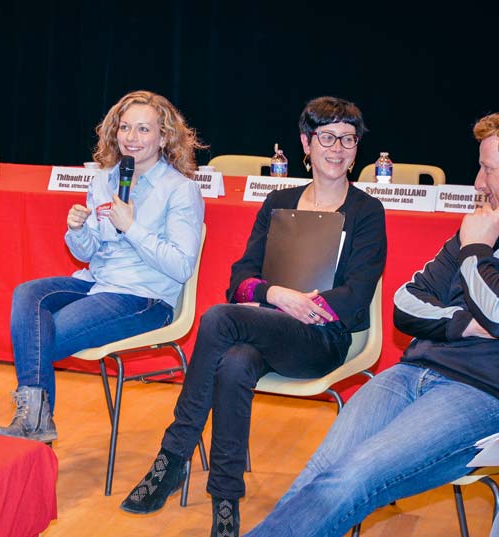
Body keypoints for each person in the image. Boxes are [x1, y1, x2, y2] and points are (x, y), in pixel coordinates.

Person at [245, 105, 499, 537]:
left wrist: (476, 254)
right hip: (414, 372)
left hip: (496, 399)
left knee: (354, 475)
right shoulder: (484, 228)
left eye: (487, 169)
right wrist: (469, 321)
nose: (478, 183)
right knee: (322, 472)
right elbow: (407, 303)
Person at [119, 96, 385, 537]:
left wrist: (303, 307)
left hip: (324, 339)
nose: (336, 148)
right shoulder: (278, 201)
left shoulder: (366, 211)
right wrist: (278, 295)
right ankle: (225, 500)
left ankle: (172, 457)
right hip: (267, 328)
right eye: (326, 137)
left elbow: (357, 296)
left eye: (348, 139)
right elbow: (240, 278)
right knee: (234, 362)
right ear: (306, 142)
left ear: (357, 148)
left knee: (220, 319)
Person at [0, 90, 205, 442]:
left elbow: (181, 267)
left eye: (143, 130)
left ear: (164, 136)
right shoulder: (104, 178)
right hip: (97, 281)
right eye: (124, 128)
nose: (131, 138)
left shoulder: (180, 190)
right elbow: (88, 251)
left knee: (40, 336)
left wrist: (132, 227)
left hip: (144, 296)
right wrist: (76, 230)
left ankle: (35, 421)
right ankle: (36, 422)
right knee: (28, 294)